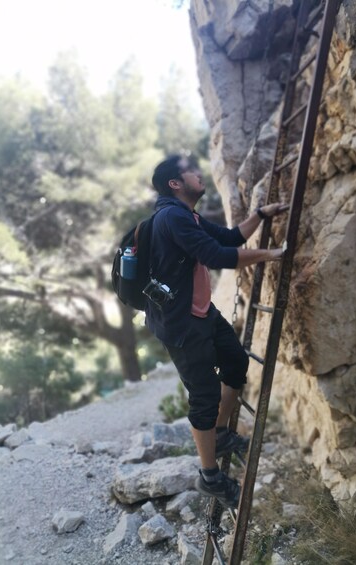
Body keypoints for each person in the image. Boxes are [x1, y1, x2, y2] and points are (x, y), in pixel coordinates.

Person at [145, 154, 286, 508]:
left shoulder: (187, 215)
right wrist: (273, 254)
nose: (198, 173)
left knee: (236, 363)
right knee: (204, 397)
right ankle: (209, 476)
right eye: (190, 171)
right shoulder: (171, 217)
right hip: (181, 324)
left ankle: (220, 434)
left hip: (201, 313)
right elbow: (217, 255)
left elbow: (229, 236)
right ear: (175, 184)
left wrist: (261, 216)